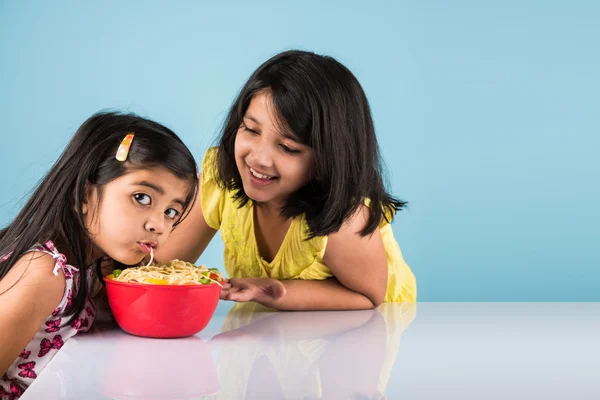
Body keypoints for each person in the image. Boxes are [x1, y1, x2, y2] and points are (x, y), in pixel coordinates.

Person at [156, 50, 416, 310]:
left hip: (362, 332)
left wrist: (274, 293)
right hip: (267, 334)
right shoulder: (222, 179)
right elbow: (161, 266)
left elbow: (369, 297)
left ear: (328, 158)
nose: (258, 159)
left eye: (288, 147)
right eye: (251, 129)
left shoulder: (345, 220)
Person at [0, 111, 198, 396]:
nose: (158, 225)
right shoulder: (43, 274)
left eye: (171, 212)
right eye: (142, 198)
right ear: (83, 195)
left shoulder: (98, 267)